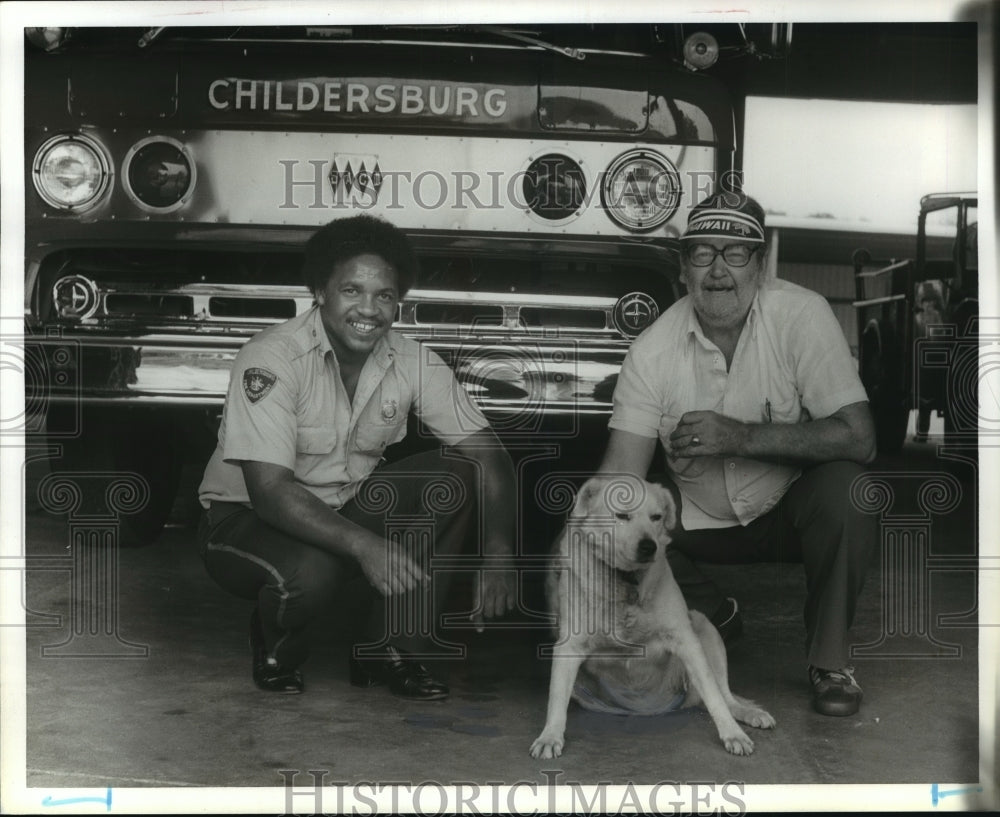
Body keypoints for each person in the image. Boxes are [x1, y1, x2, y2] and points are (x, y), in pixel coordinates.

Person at [197, 214, 516, 700]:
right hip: (243, 522)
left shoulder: (412, 360)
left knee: (456, 474)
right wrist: (366, 546)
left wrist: (498, 551)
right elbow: (270, 494)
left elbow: (488, 455)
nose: (369, 309)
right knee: (312, 574)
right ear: (320, 291)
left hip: (344, 508)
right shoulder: (272, 358)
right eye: (351, 291)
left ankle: (389, 651)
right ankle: (277, 647)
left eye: (384, 296)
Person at [597, 189, 877, 717]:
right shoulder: (652, 349)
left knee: (850, 489)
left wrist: (740, 436)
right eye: (703, 253)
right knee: (624, 528)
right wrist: (586, 575)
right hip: (698, 525)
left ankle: (830, 662)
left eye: (736, 253)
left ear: (761, 263)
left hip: (789, 510)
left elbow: (859, 437)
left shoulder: (803, 315)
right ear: (683, 268)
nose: (718, 270)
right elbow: (621, 478)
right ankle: (714, 615)